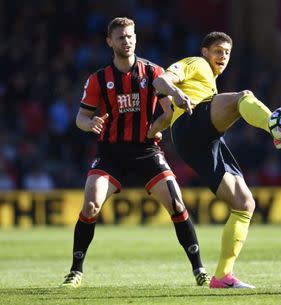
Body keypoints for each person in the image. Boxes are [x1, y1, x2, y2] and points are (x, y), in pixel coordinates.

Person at [61, 17, 209, 288]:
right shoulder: (98, 79)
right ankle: (75, 271)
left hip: (145, 150)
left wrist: (158, 124)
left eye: (130, 36)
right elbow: (80, 118)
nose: (126, 41)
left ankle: (199, 270)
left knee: (176, 204)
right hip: (111, 153)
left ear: (136, 38)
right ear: (110, 42)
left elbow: (166, 109)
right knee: (91, 205)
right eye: (120, 37)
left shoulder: (153, 73)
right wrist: (89, 123)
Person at [151, 32, 281, 288]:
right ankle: (276, 128)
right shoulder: (196, 64)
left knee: (245, 204)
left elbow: (167, 114)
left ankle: (223, 276)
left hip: (201, 142)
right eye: (217, 50)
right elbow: (161, 80)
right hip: (192, 125)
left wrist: (153, 128)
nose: (222, 56)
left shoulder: (210, 81)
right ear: (204, 52)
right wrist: (176, 93)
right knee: (242, 97)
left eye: (227, 52)